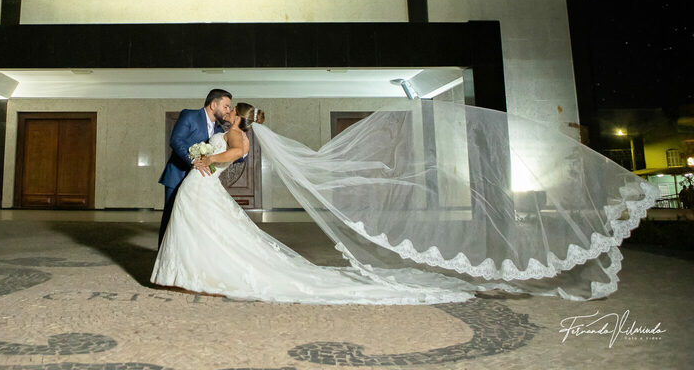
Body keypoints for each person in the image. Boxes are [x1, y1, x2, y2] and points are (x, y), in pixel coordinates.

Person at [152, 100, 659, 304]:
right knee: (206, 231)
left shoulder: (237, 136)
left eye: (230, 110)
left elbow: (232, 156)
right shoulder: (226, 129)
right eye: (225, 109)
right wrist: (202, 157)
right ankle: (188, 271)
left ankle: (197, 272)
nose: (225, 113)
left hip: (204, 182)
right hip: (201, 185)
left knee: (216, 233)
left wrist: (205, 159)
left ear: (238, 117)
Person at [157, 88, 234, 247]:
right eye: (226, 106)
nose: (228, 110)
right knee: (171, 219)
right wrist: (192, 160)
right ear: (213, 104)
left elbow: (224, 154)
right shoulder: (189, 115)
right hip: (178, 175)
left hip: (200, 183)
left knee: (194, 221)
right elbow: (176, 140)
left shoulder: (220, 130)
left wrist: (242, 152)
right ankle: (163, 256)